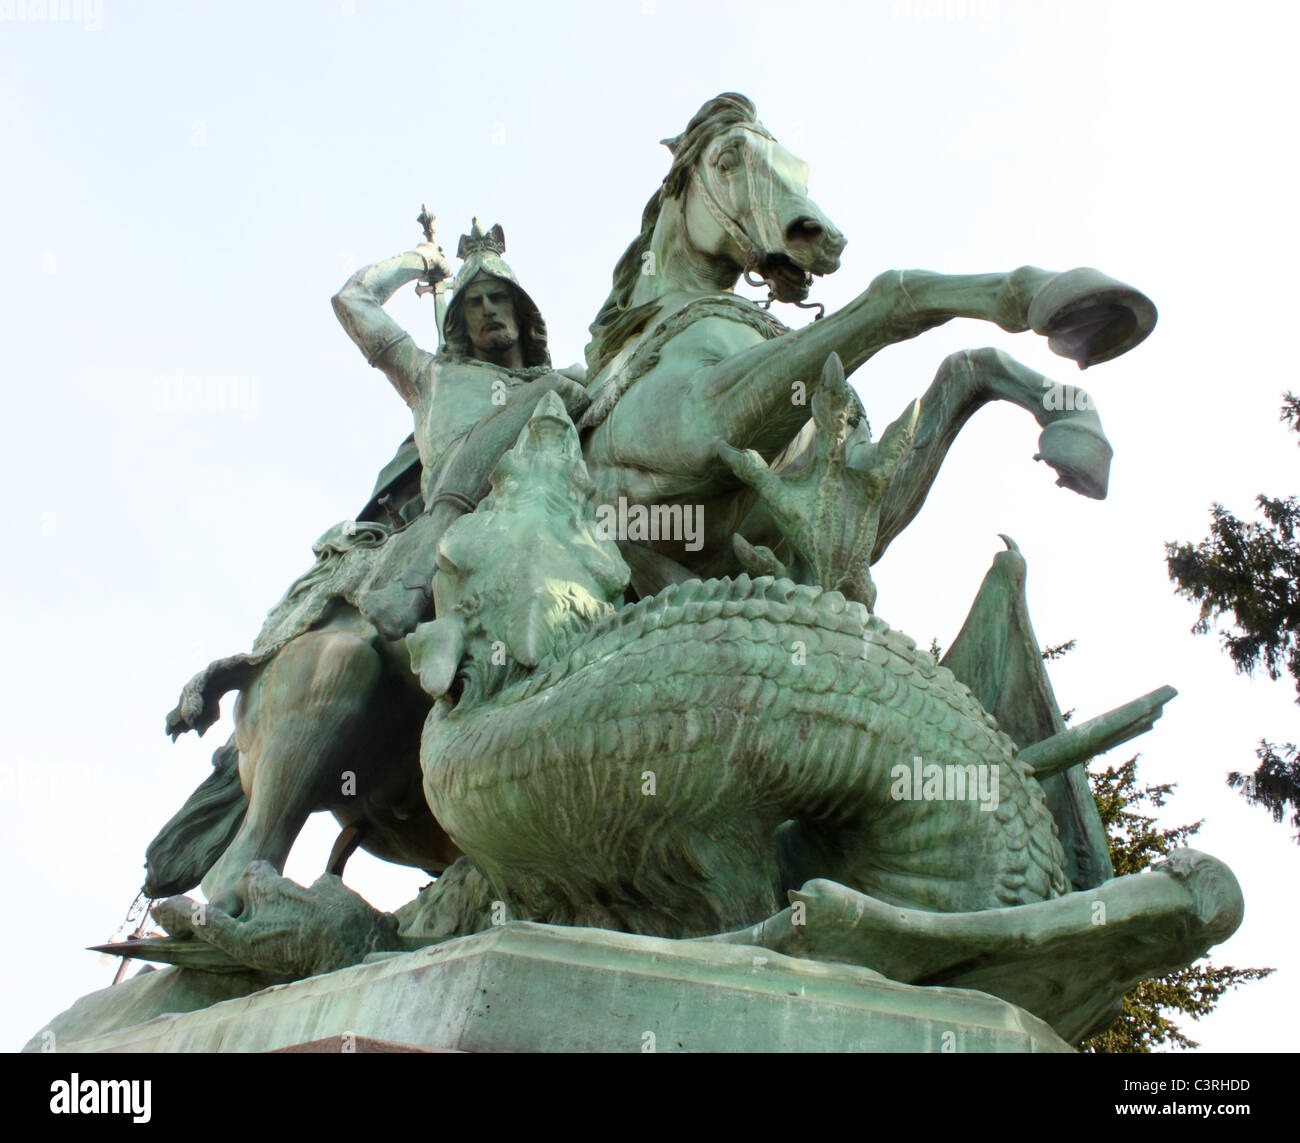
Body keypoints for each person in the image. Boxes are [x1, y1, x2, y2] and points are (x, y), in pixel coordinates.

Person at [332, 219, 590, 638]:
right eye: (474, 302)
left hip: (548, 492)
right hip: (463, 499)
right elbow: (352, 300)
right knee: (561, 388)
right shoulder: (427, 374)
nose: (488, 308)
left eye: (498, 298)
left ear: (520, 312)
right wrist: (419, 261)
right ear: (459, 319)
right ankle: (421, 564)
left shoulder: (567, 382)